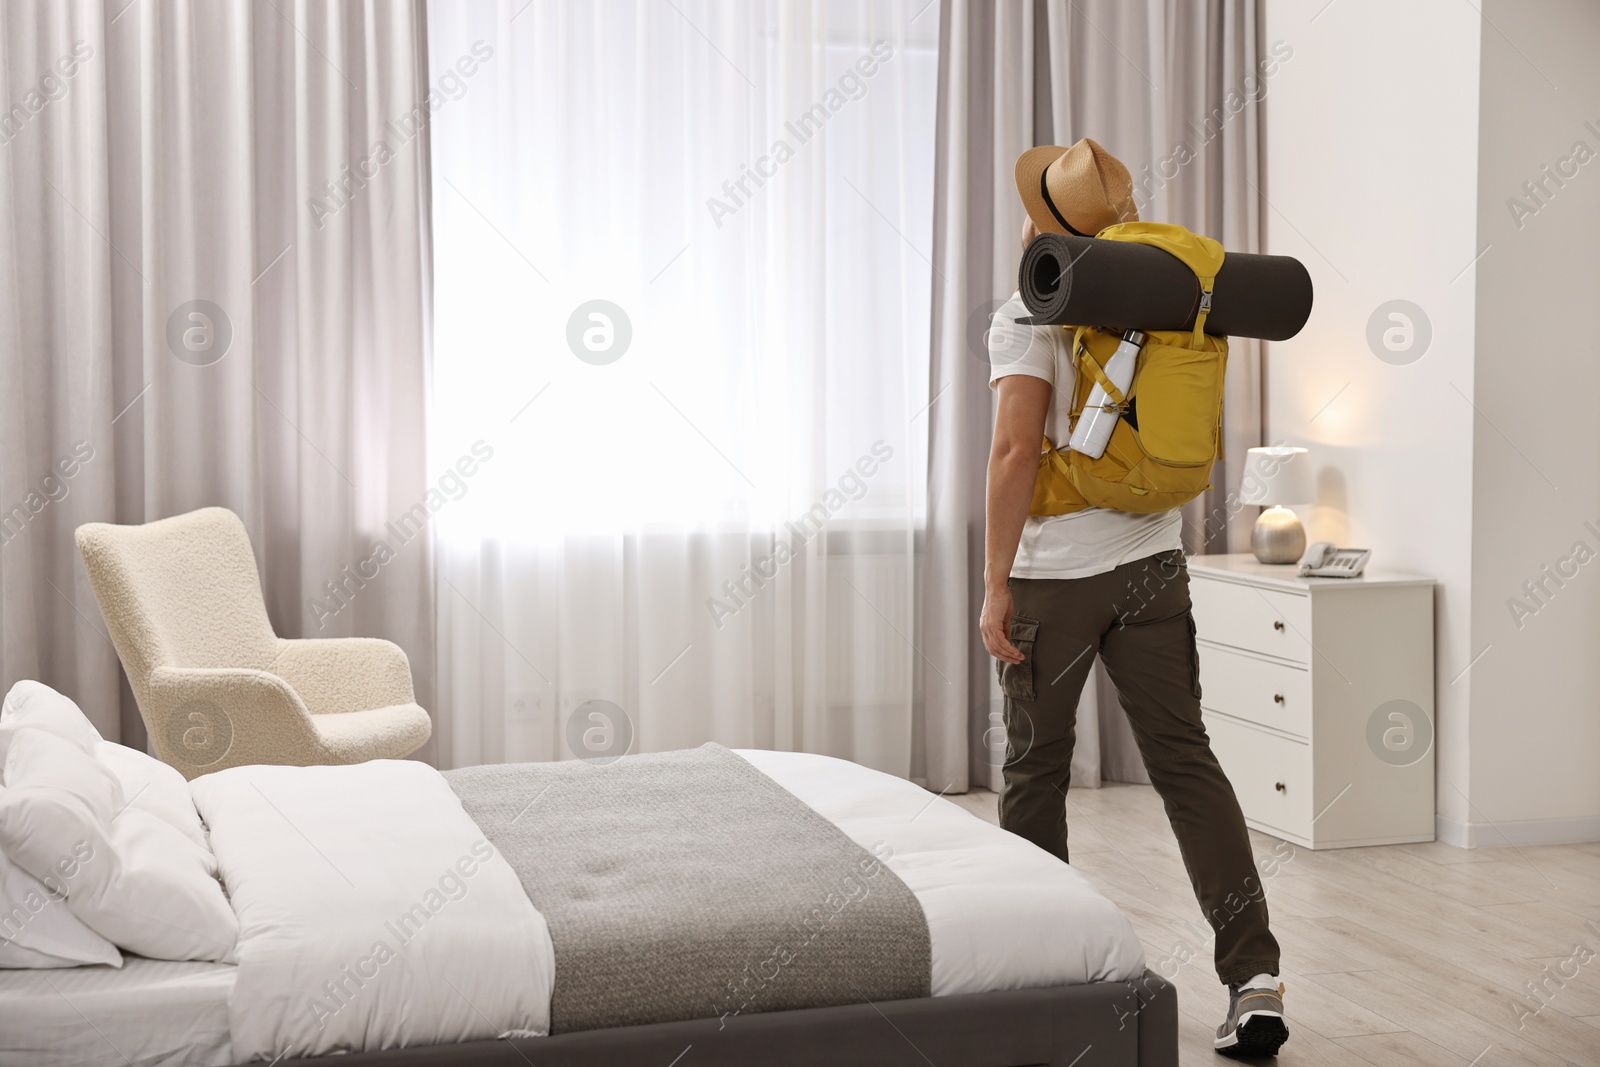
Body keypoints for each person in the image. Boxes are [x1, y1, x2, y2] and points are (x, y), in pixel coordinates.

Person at [980, 137, 1289, 1059]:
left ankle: (1049, 972)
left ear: (1041, 223)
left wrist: (995, 581)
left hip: (1054, 579)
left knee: (1036, 771)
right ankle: (1255, 976)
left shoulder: (1029, 309)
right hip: (1155, 564)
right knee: (1187, 763)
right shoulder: (1167, 294)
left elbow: (1014, 453)